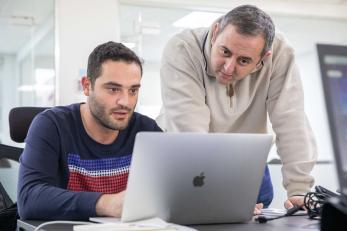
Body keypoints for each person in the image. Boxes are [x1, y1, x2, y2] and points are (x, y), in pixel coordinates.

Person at [157, 4, 317, 211]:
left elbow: (291, 119)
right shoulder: (183, 49)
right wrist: (214, 197)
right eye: (225, 51)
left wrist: (299, 190)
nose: (228, 67)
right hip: (190, 165)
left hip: (246, 163)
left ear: (263, 58)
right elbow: (190, 131)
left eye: (243, 60)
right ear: (215, 33)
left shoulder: (280, 53)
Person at [17, 41, 162, 220]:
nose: (125, 101)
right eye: (113, 89)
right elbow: (29, 199)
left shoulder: (146, 130)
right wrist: (106, 203)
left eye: (133, 90)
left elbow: (175, 186)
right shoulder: (51, 125)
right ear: (87, 86)